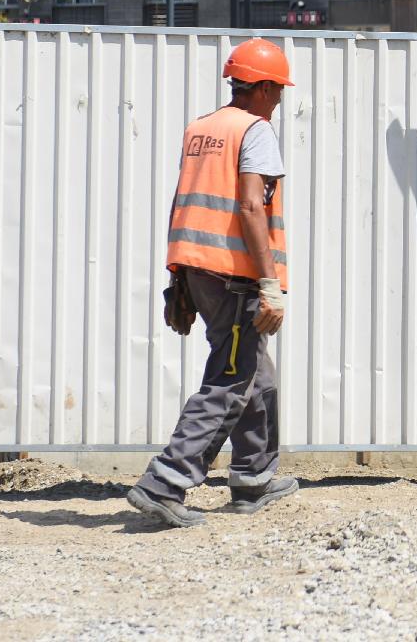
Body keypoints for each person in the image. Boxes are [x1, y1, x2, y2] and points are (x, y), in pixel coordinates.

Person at [127, 38, 298, 528]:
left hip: (198, 270)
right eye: (278, 89)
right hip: (236, 276)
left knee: (255, 375)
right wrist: (269, 284)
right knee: (228, 379)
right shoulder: (255, 130)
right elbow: (248, 206)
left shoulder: (201, 129)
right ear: (262, 87)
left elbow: (186, 201)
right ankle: (166, 481)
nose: (280, 98)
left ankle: (253, 478)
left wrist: (177, 279)